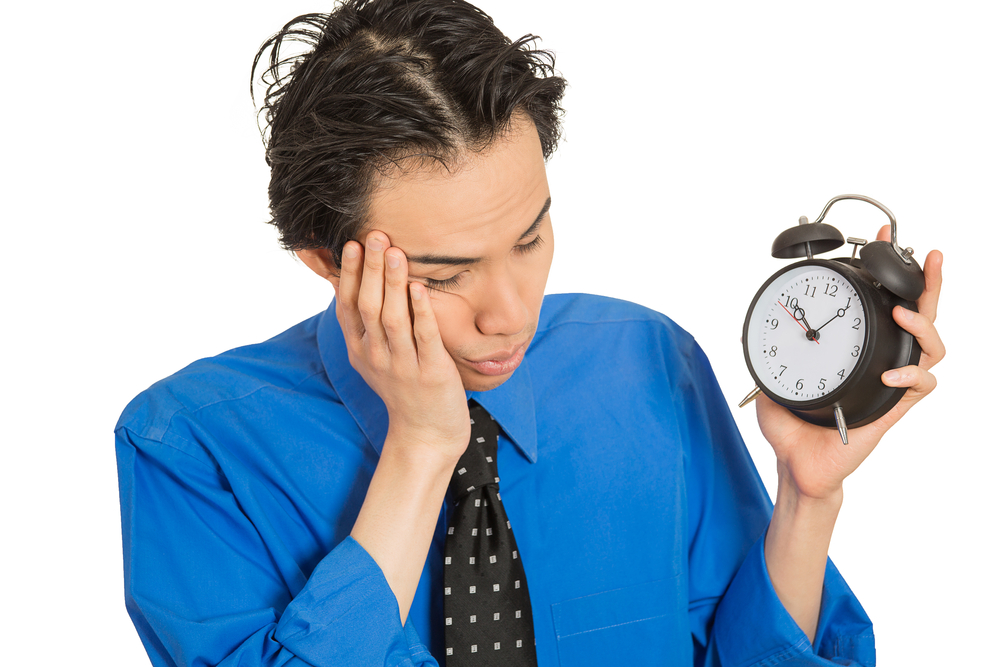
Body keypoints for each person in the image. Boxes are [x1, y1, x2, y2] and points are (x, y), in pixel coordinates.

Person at [114, 1, 945, 665]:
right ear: (325, 263)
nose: (510, 312)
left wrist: (806, 496)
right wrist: (422, 446)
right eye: (444, 275)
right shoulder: (192, 446)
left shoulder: (646, 363)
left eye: (530, 239)